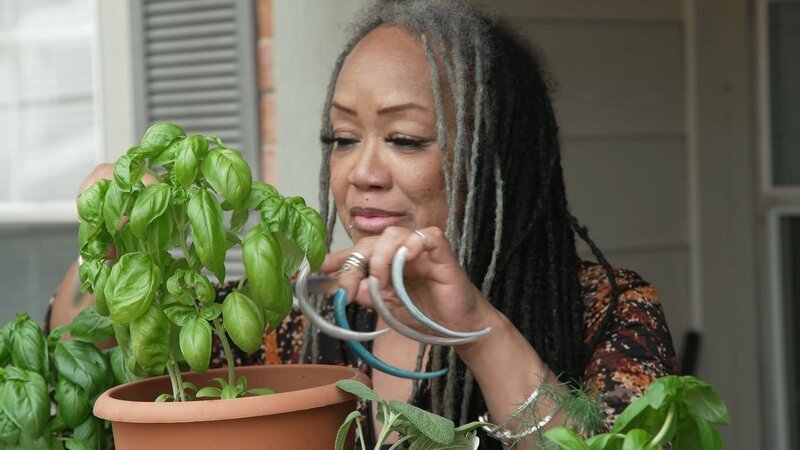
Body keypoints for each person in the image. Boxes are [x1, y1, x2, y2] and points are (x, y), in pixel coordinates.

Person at [50, 1, 678, 448]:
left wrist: (478, 330)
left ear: (495, 162)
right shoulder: (301, 321)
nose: (360, 173)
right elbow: (98, 349)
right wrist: (116, 234)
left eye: (404, 139)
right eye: (343, 138)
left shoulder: (609, 310)